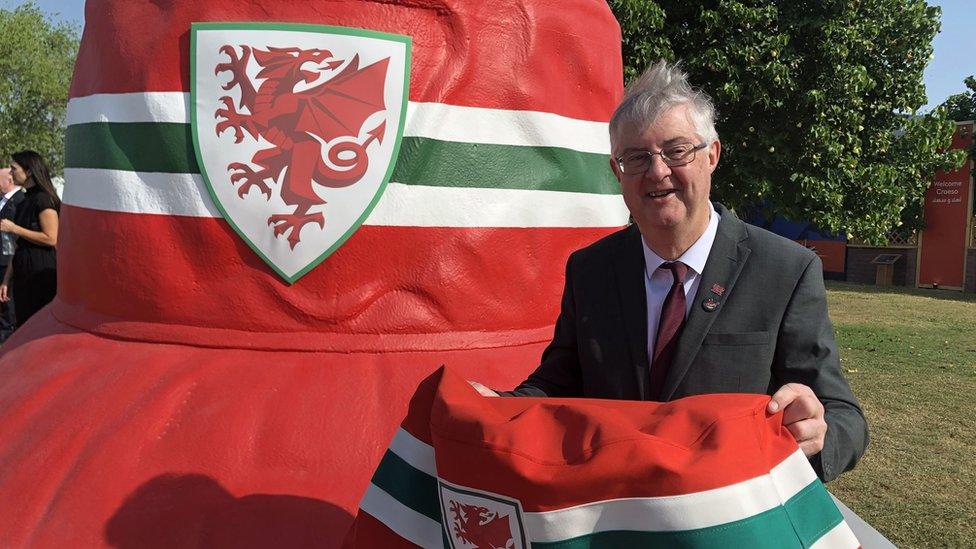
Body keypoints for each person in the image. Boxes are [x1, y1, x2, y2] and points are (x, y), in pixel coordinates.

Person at [475, 61, 868, 483]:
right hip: (615, 511)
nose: (657, 171)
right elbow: (560, 382)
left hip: (723, 517)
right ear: (617, 172)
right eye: (636, 158)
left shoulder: (786, 270)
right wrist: (496, 408)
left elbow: (843, 416)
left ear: (712, 155)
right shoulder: (590, 270)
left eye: (676, 151)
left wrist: (817, 432)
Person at [0, 151, 60, 325]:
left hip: (40, 271)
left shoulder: (43, 199)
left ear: (29, 171)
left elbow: (51, 237)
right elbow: (19, 244)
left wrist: (14, 227)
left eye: (14, 169)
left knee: (37, 323)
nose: (11, 173)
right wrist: (6, 279)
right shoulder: (25, 199)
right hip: (23, 270)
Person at [0, 168, 25, 341]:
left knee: (7, 298)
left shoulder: (19, 201)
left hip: (8, 257)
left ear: (9, 180)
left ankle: (8, 334)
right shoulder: (3, 200)